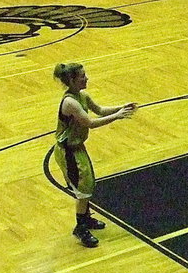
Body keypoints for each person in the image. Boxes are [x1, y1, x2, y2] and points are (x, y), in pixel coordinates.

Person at [52, 62, 136, 247]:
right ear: (72, 80)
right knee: (83, 190)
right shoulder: (70, 103)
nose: (87, 78)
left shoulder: (82, 96)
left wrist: (121, 107)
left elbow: (100, 110)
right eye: (82, 76)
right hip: (68, 151)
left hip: (77, 148)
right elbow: (90, 123)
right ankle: (80, 228)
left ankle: (85, 218)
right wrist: (118, 116)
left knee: (88, 183)